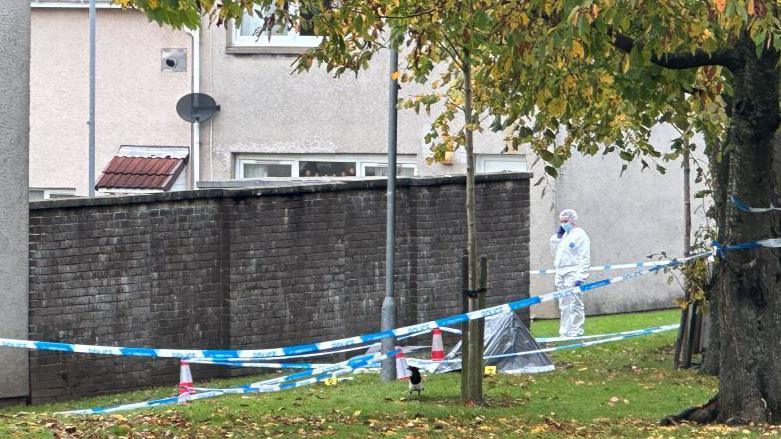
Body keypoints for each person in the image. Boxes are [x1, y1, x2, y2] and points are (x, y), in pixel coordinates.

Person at [549, 209, 591, 337]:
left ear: (573, 220)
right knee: (564, 304)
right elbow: (555, 254)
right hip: (560, 272)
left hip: (573, 272)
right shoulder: (564, 236)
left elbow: (585, 257)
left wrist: (581, 277)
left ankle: (576, 331)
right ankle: (565, 332)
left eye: (565, 221)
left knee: (575, 303)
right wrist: (557, 238)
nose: (563, 224)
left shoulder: (580, 235)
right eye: (561, 221)